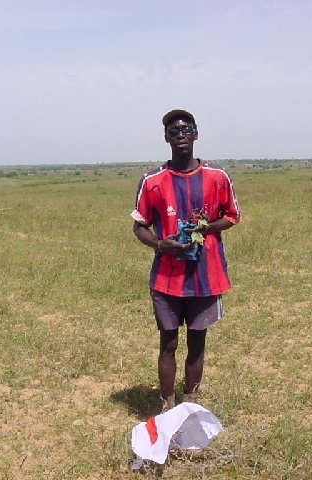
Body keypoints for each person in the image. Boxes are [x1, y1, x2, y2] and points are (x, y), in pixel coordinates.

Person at [131, 109, 241, 412]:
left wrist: (205, 227)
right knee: (168, 343)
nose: (180, 134)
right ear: (166, 138)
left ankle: (190, 406)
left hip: (206, 276)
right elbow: (139, 226)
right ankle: (167, 407)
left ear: (196, 134)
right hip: (167, 278)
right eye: (174, 131)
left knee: (197, 342)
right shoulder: (152, 180)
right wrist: (160, 244)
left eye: (186, 129)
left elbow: (231, 216)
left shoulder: (218, 177)